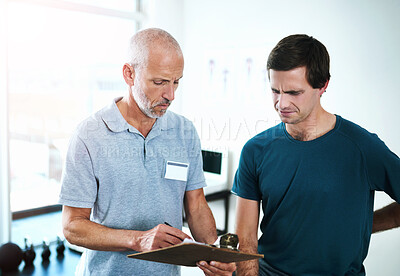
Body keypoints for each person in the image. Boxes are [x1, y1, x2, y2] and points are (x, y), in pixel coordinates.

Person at [59, 28, 236, 276]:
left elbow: (195, 205)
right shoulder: (89, 135)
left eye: (176, 82)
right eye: (159, 82)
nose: (170, 95)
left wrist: (212, 254)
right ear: (129, 74)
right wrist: (137, 239)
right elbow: (72, 226)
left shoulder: (184, 131)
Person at [232, 34, 400, 275]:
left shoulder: (362, 148)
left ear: (323, 86)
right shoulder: (255, 150)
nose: (282, 103)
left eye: (294, 92)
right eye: (275, 91)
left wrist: (364, 225)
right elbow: (246, 239)